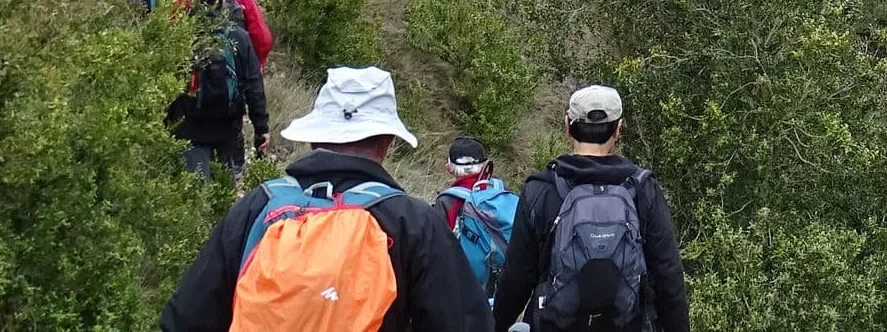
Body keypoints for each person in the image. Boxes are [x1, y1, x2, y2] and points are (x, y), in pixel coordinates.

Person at [161, 67, 490, 332]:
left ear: (314, 136)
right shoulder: (412, 224)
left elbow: (185, 318)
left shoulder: (258, 206)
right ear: (387, 141)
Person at [492, 87, 690, 332]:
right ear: (619, 129)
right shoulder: (642, 188)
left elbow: (516, 278)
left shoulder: (541, 189)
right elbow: (668, 276)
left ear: (567, 125)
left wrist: (498, 324)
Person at [166, 0, 268, 179]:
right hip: (226, 126)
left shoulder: (179, 37)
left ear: (194, 2)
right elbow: (254, 85)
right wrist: (261, 128)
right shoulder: (238, 36)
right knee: (225, 190)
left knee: (194, 190)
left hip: (188, 127)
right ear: (223, 2)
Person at [438, 138, 520, 304]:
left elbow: (439, 249)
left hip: (464, 287)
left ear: (449, 168)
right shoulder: (500, 192)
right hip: (502, 284)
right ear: (485, 165)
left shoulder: (447, 201)